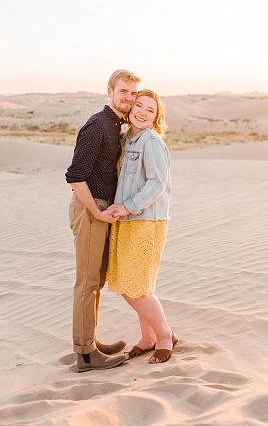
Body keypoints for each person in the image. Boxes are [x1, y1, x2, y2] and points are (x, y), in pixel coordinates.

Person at [65, 69, 140, 372]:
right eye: (124, 91)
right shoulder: (98, 126)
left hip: (102, 209)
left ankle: (90, 342)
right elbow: (74, 176)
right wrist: (96, 212)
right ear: (110, 91)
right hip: (90, 208)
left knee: (95, 282)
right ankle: (85, 355)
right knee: (86, 283)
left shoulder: (116, 126)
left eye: (133, 93)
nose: (129, 98)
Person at [103, 89, 178, 364]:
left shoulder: (152, 141)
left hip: (147, 221)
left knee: (136, 287)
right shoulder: (127, 139)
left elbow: (157, 183)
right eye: (139, 106)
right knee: (132, 283)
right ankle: (147, 338)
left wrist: (128, 206)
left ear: (156, 117)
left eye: (150, 110)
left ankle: (164, 336)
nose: (143, 112)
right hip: (128, 220)